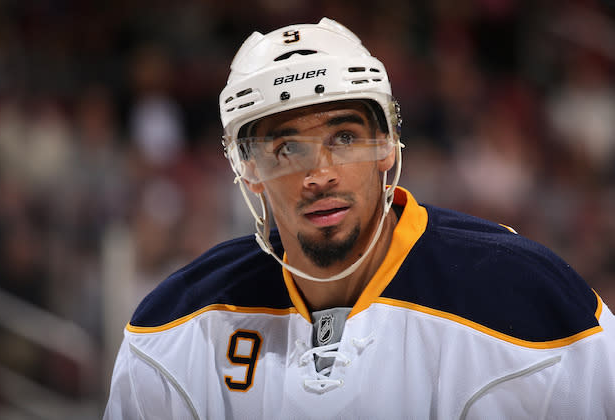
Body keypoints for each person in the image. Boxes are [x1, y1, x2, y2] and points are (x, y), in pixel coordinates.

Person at [104, 18, 615, 419]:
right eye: (287, 149)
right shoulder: (174, 327)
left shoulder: (530, 303)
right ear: (249, 172)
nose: (319, 174)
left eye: (345, 138)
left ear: (388, 148)